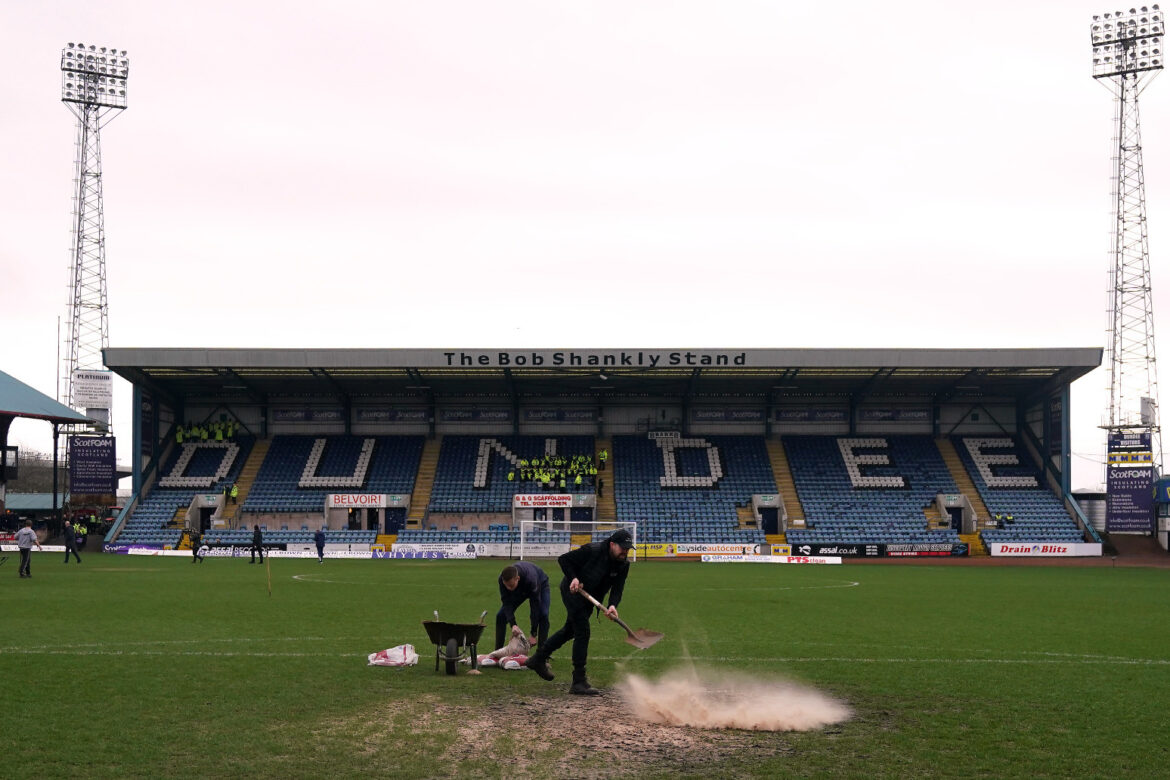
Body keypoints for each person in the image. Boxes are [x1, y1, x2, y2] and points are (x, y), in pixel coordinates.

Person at [525, 528, 633, 695]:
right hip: (573, 591)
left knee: (570, 631)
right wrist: (573, 577)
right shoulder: (592, 550)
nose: (625, 552)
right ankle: (579, 681)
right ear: (612, 544)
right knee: (582, 630)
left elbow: (618, 588)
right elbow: (564, 560)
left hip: (591, 597)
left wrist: (612, 605)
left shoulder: (623, 565)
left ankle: (537, 659)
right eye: (622, 548)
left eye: (627, 549)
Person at [496, 561, 551, 650]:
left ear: (517, 578)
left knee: (543, 614)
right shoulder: (502, 580)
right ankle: (497, 651)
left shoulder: (531, 579)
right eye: (506, 586)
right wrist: (513, 624)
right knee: (501, 616)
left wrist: (533, 633)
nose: (508, 589)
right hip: (520, 589)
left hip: (540, 583)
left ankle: (542, 655)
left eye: (511, 585)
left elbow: (534, 606)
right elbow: (506, 602)